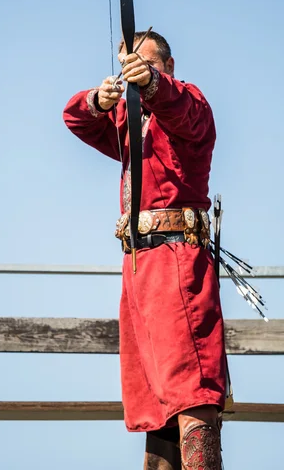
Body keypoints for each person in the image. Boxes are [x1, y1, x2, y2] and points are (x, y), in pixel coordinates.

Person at [63, 31, 226, 470]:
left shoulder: (189, 104)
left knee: (191, 390)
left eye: (143, 65)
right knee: (154, 404)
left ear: (167, 67)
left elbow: (179, 105)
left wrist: (152, 83)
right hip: (138, 267)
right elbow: (76, 118)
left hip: (177, 262)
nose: (132, 76)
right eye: (126, 67)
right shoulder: (132, 123)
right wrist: (101, 98)